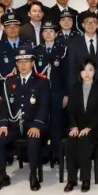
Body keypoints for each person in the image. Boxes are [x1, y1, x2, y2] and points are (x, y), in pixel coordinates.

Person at [0, 46, 49, 193]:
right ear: (16, 63)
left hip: (33, 124)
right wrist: (3, 125)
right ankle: (2, 176)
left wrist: (37, 125)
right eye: (19, 61)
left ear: (33, 63)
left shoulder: (41, 81)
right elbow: (4, 106)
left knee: (34, 140)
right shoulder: (9, 81)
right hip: (14, 125)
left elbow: (44, 106)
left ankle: (33, 175)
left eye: (26, 61)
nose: (23, 65)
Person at [64, 60, 98, 193]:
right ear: (80, 72)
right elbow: (71, 111)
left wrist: (89, 128)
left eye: (90, 70)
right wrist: (74, 126)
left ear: (95, 72)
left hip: (95, 128)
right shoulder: (75, 88)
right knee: (71, 141)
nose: (87, 73)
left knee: (84, 141)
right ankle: (71, 179)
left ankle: (85, 179)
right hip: (77, 127)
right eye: (84, 70)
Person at [32, 21, 69, 165]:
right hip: (40, 93)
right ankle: (43, 153)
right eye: (45, 31)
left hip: (57, 92)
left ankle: (57, 153)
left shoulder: (62, 50)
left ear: (56, 34)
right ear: (42, 34)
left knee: (57, 123)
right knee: (42, 121)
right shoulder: (36, 51)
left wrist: (66, 94)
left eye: (51, 31)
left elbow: (67, 74)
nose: (48, 34)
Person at [0, 13, 28, 96]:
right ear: (4, 28)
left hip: (26, 89)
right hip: (4, 89)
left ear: (20, 28)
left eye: (15, 26)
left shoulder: (28, 45)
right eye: (9, 27)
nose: (12, 29)